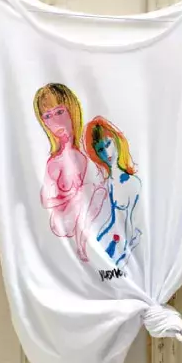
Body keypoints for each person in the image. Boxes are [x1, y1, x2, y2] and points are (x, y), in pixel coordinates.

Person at [34, 83, 106, 262]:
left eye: (60, 112)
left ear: (72, 110)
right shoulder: (54, 162)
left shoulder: (81, 153)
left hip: (83, 214)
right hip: (63, 220)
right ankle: (82, 247)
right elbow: (46, 200)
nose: (55, 121)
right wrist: (70, 196)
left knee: (100, 191)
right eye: (48, 116)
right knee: (88, 192)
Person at [83, 116, 142, 266]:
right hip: (111, 238)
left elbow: (129, 222)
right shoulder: (109, 182)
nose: (106, 153)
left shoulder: (132, 183)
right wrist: (98, 238)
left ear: (116, 140)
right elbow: (112, 219)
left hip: (124, 244)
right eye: (100, 150)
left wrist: (125, 252)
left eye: (108, 144)